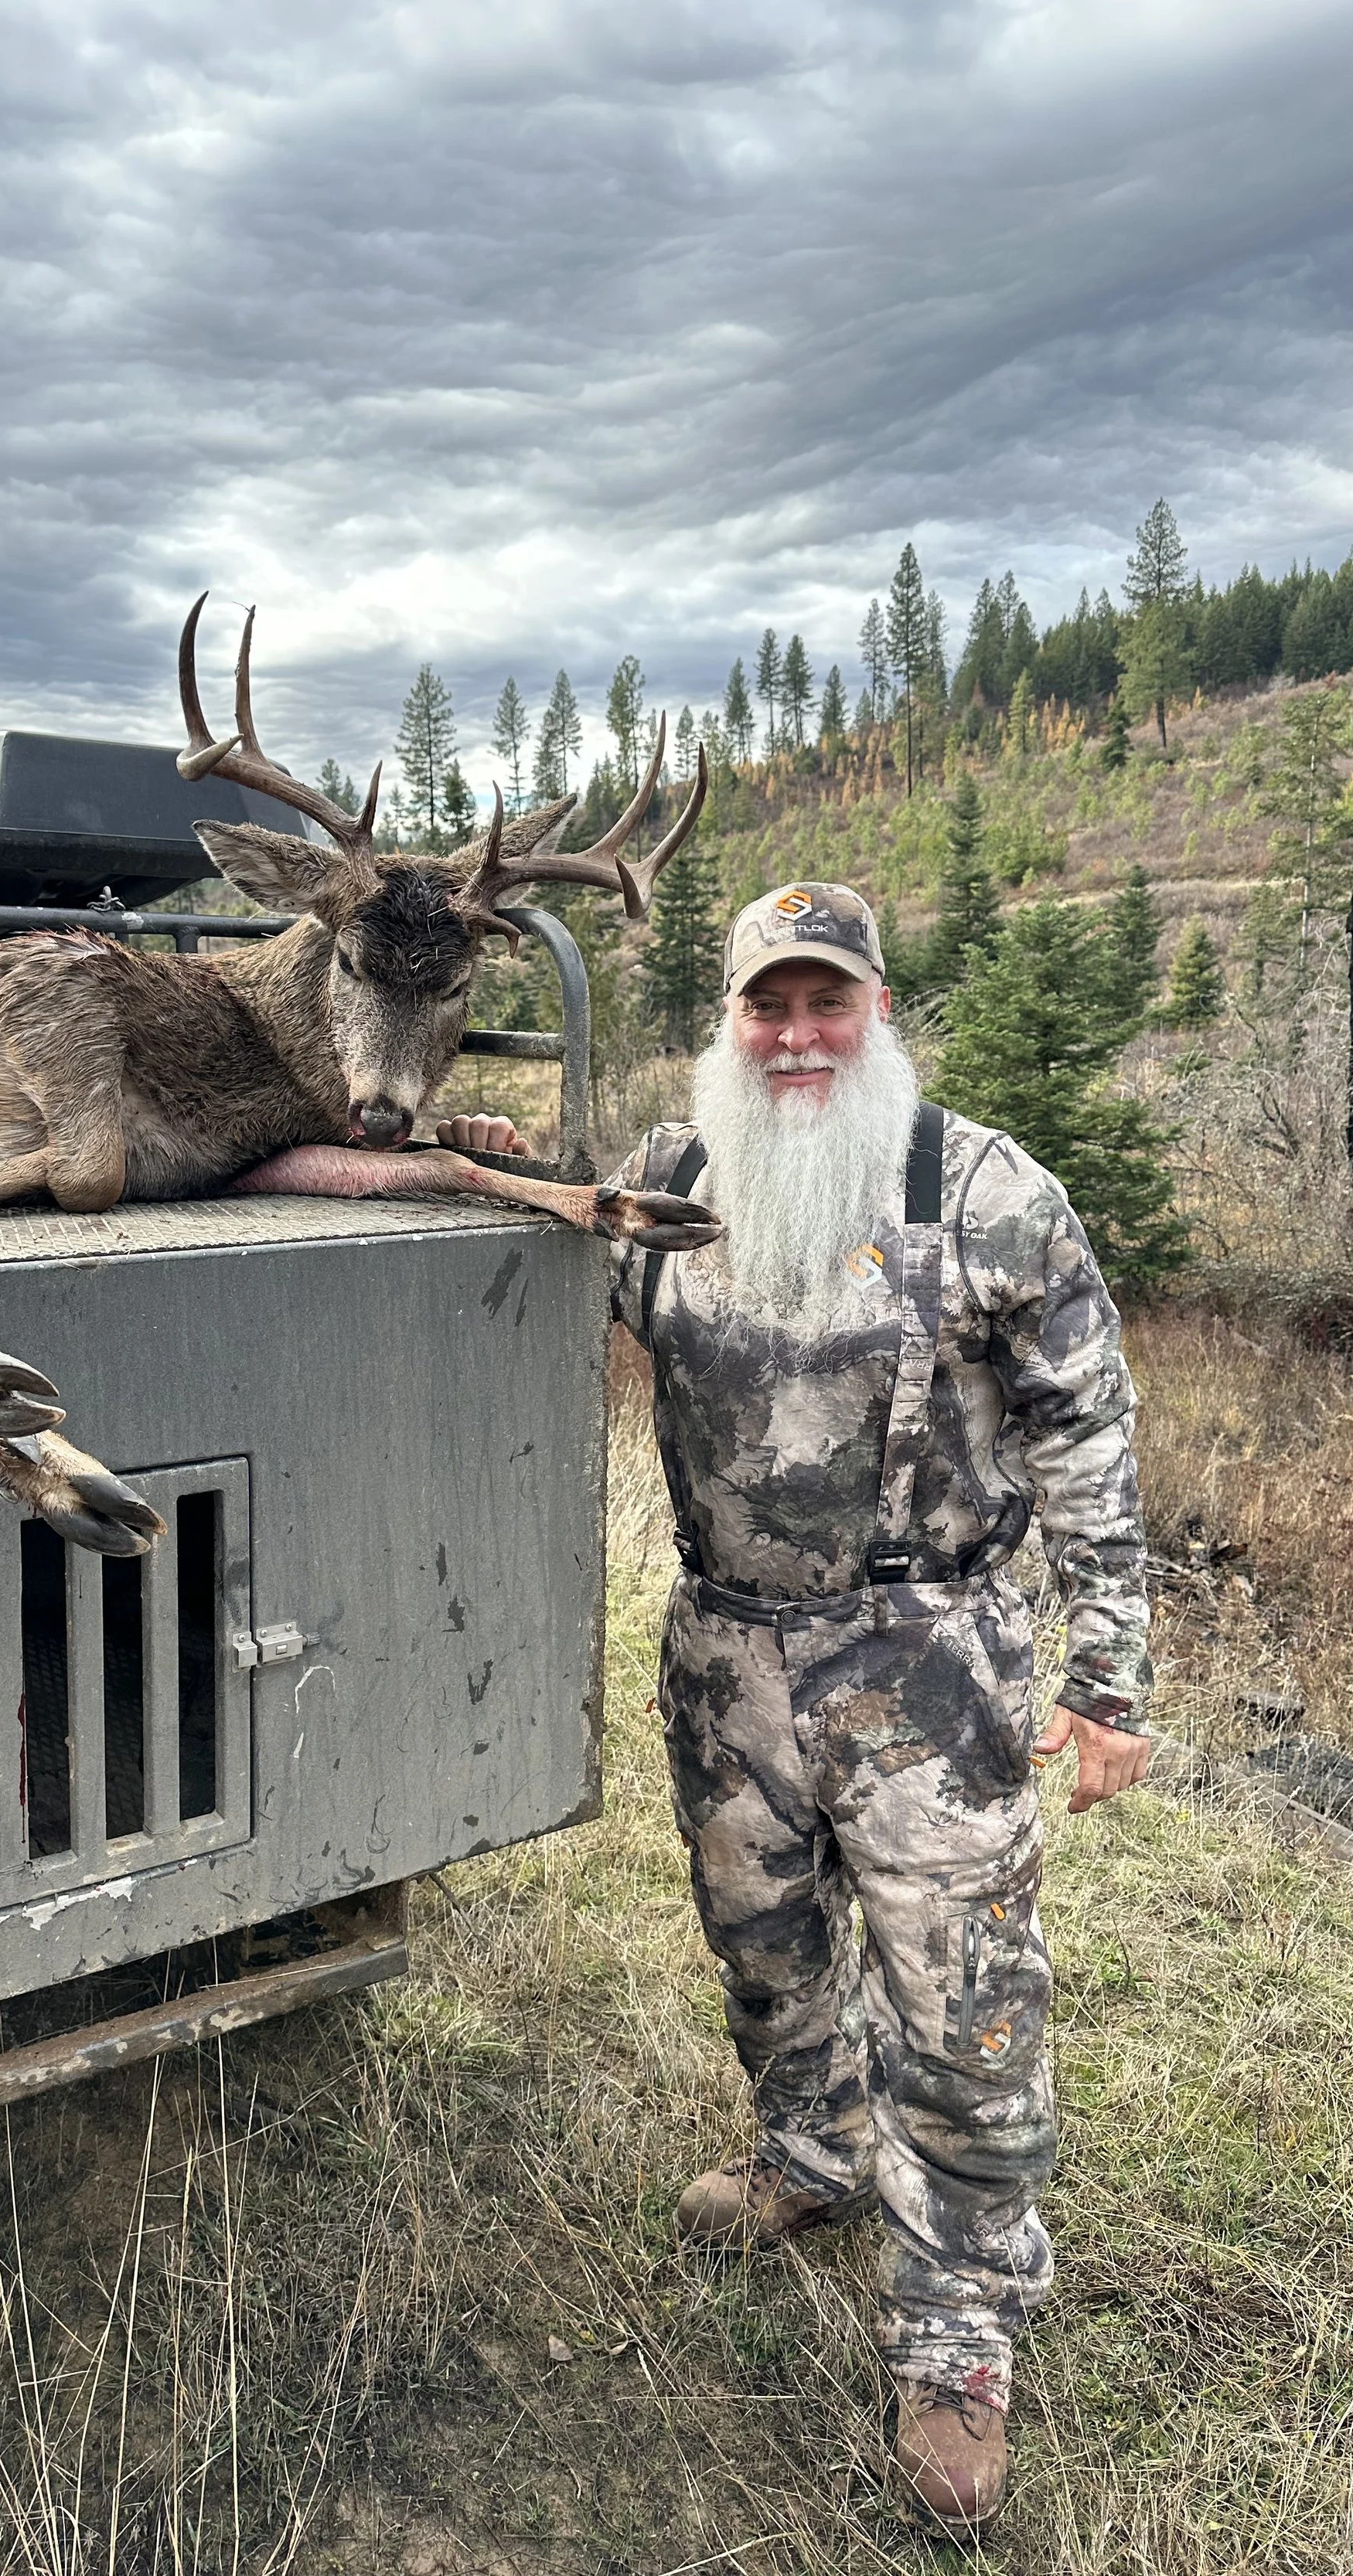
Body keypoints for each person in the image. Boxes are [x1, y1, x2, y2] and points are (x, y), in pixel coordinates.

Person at [440, 880, 1151, 2535]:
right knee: (759, 1948)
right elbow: (496, 1212)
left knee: (962, 2004)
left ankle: (959, 2330)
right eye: (767, 1004)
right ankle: (812, 2150)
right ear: (727, 1019)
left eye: (825, 1001)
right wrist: (445, 1131)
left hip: (931, 1670)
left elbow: (1088, 1443)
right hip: (724, 1652)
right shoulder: (669, 1184)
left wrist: (1108, 1677)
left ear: (877, 1013)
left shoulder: (987, 1193)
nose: (794, 1035)